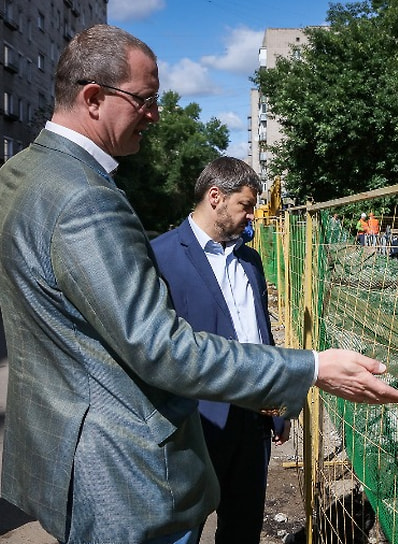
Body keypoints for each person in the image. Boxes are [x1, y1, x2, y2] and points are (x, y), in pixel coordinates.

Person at [0, 24, 398, 544]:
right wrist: (313, 367)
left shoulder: (18, 174)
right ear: (94, 98)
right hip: (114, 469)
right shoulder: (86, 199)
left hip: (61, 448)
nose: (155, 115)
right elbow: (160, 347)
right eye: (146, 99)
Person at [151, 157, 287, 543]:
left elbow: (261, 336)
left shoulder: (250, 260)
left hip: (253, 419)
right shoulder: (160, 257)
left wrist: (277, 405)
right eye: (245, 206)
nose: (251, 217)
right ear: (216, 197)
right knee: (183, 529)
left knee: (243, 527)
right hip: (196, 423)